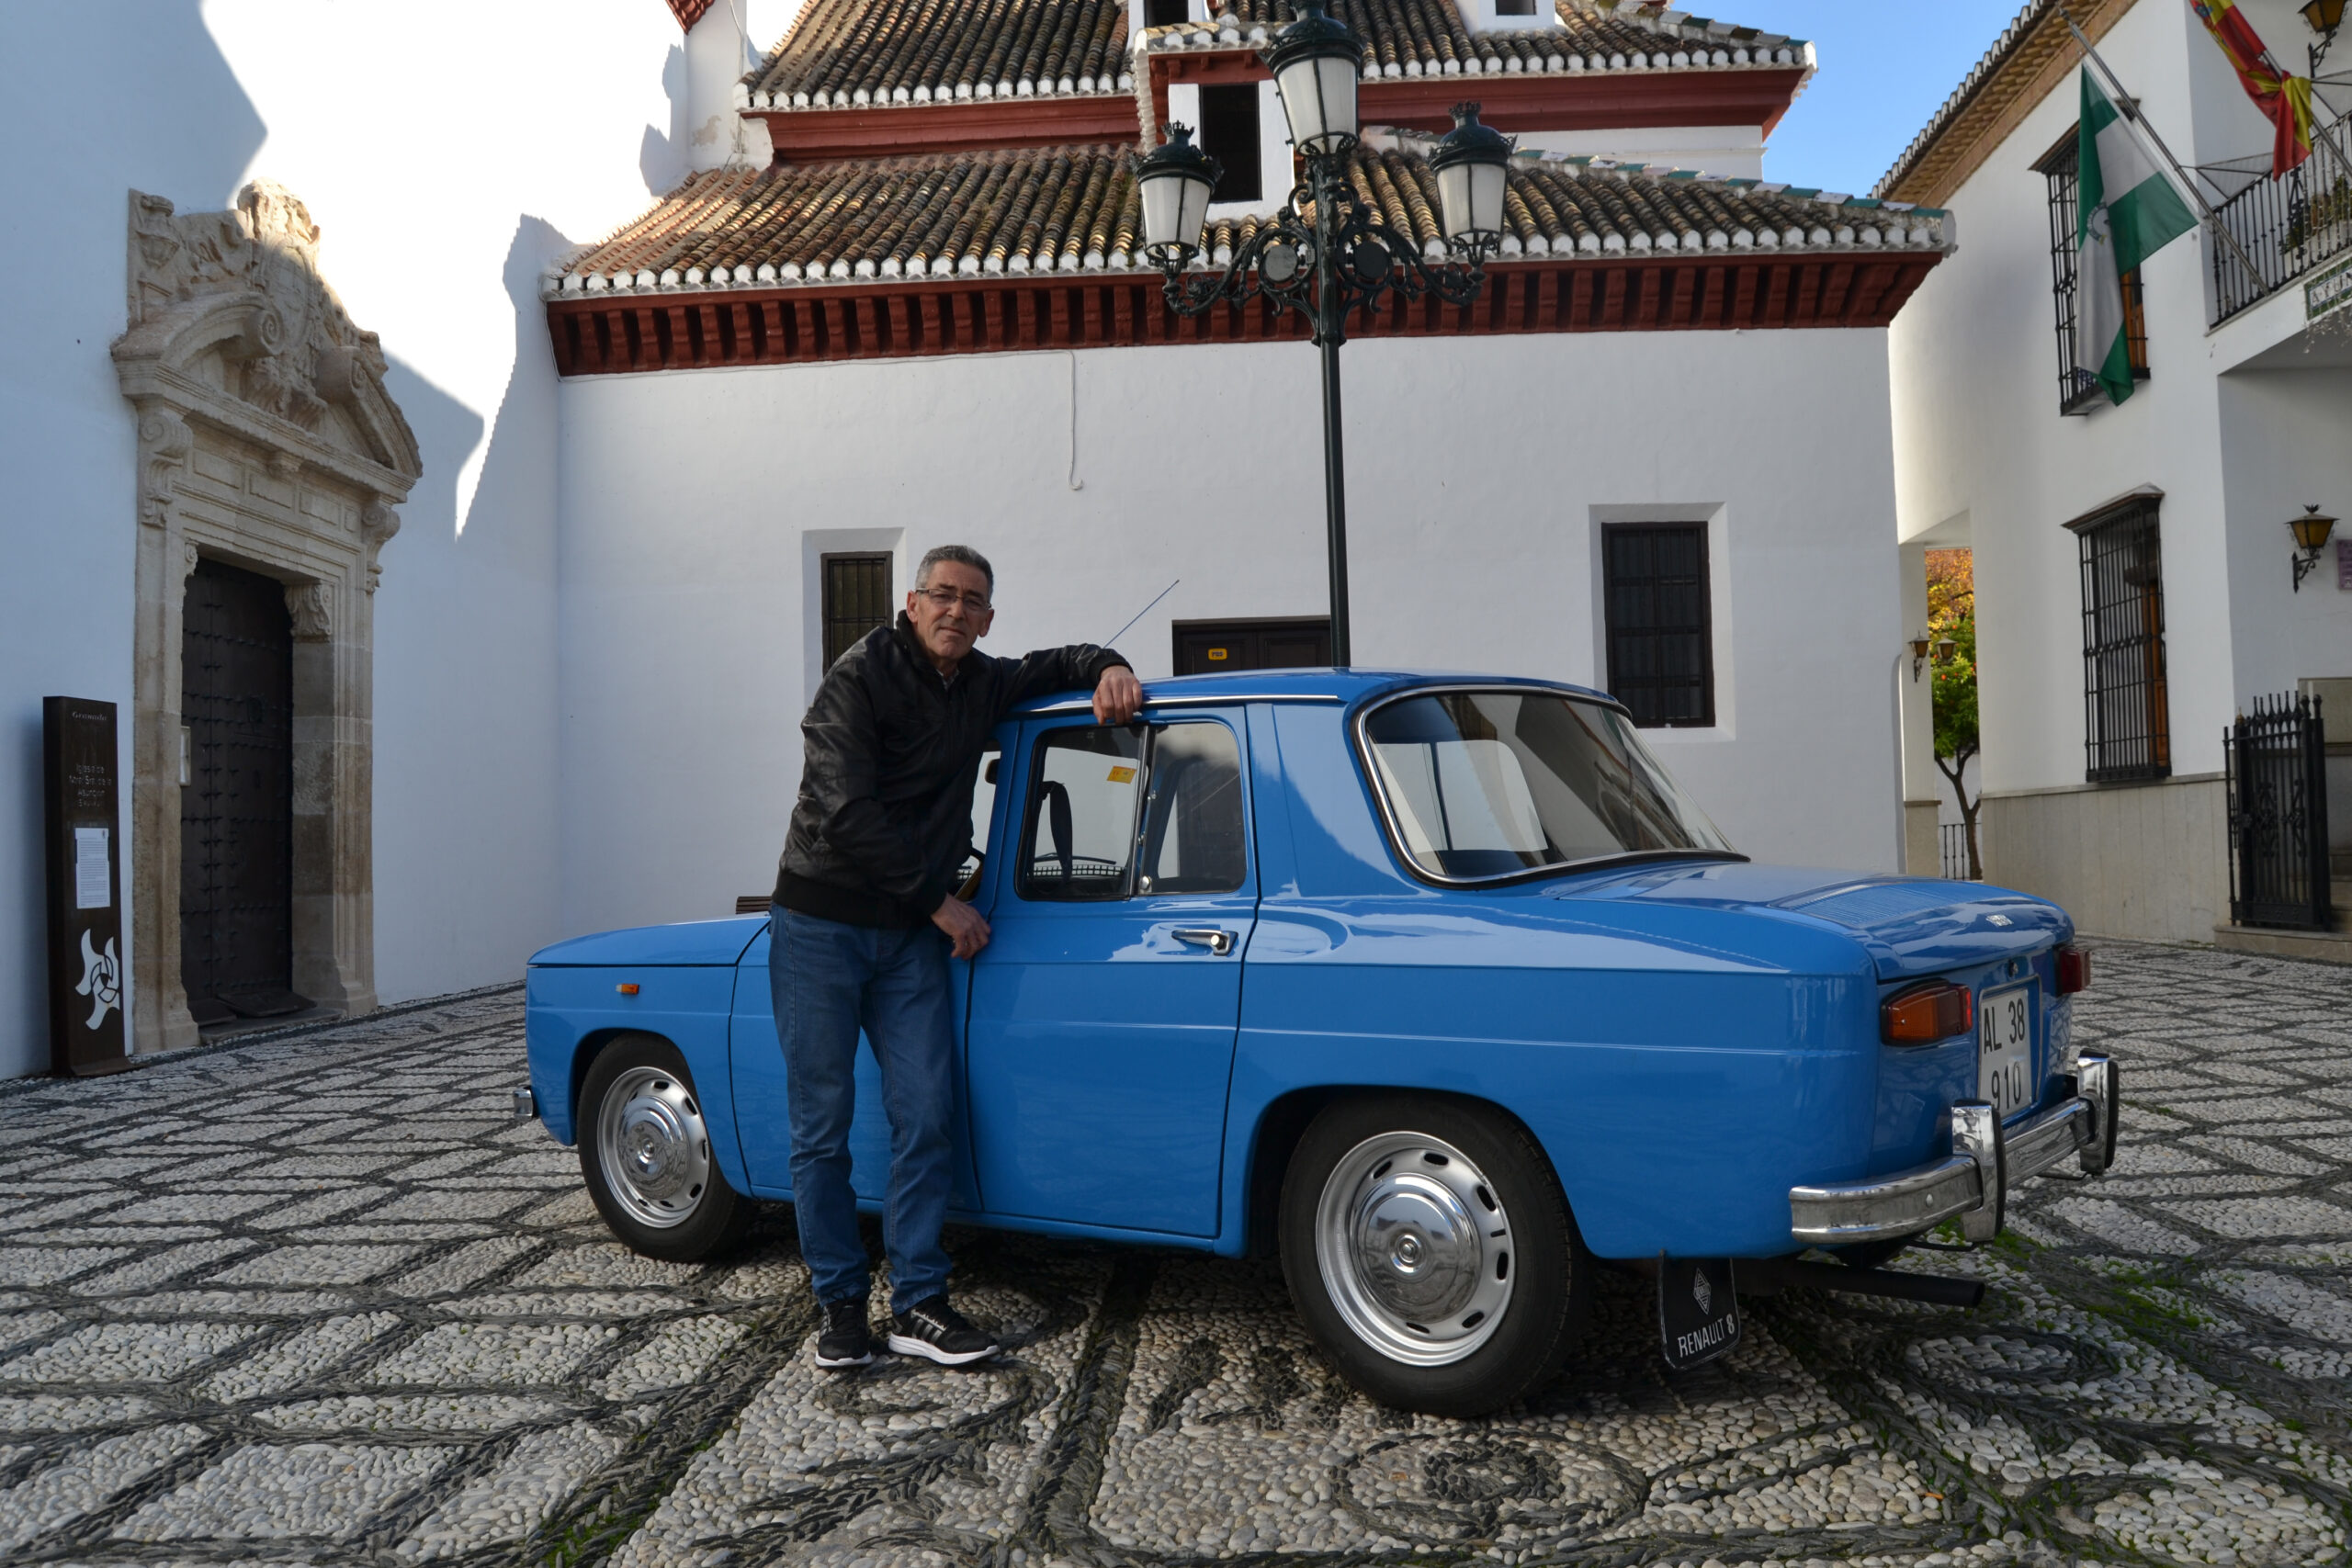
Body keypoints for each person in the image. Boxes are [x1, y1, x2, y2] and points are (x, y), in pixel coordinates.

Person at [772, 544, 1142, 1369]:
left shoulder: (980, 682)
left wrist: (1110, 664)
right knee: (821, 1127)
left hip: (906, 936)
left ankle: (917, 1301)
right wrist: (940, 901)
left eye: (973, 602)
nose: (957, 611)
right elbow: (843, 810)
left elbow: (1058, 663)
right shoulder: (859, 675)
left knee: (928, 1112)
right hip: (823, 924)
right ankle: (838, 1304)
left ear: (987, 618)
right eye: (943, 595)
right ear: (912, 603)